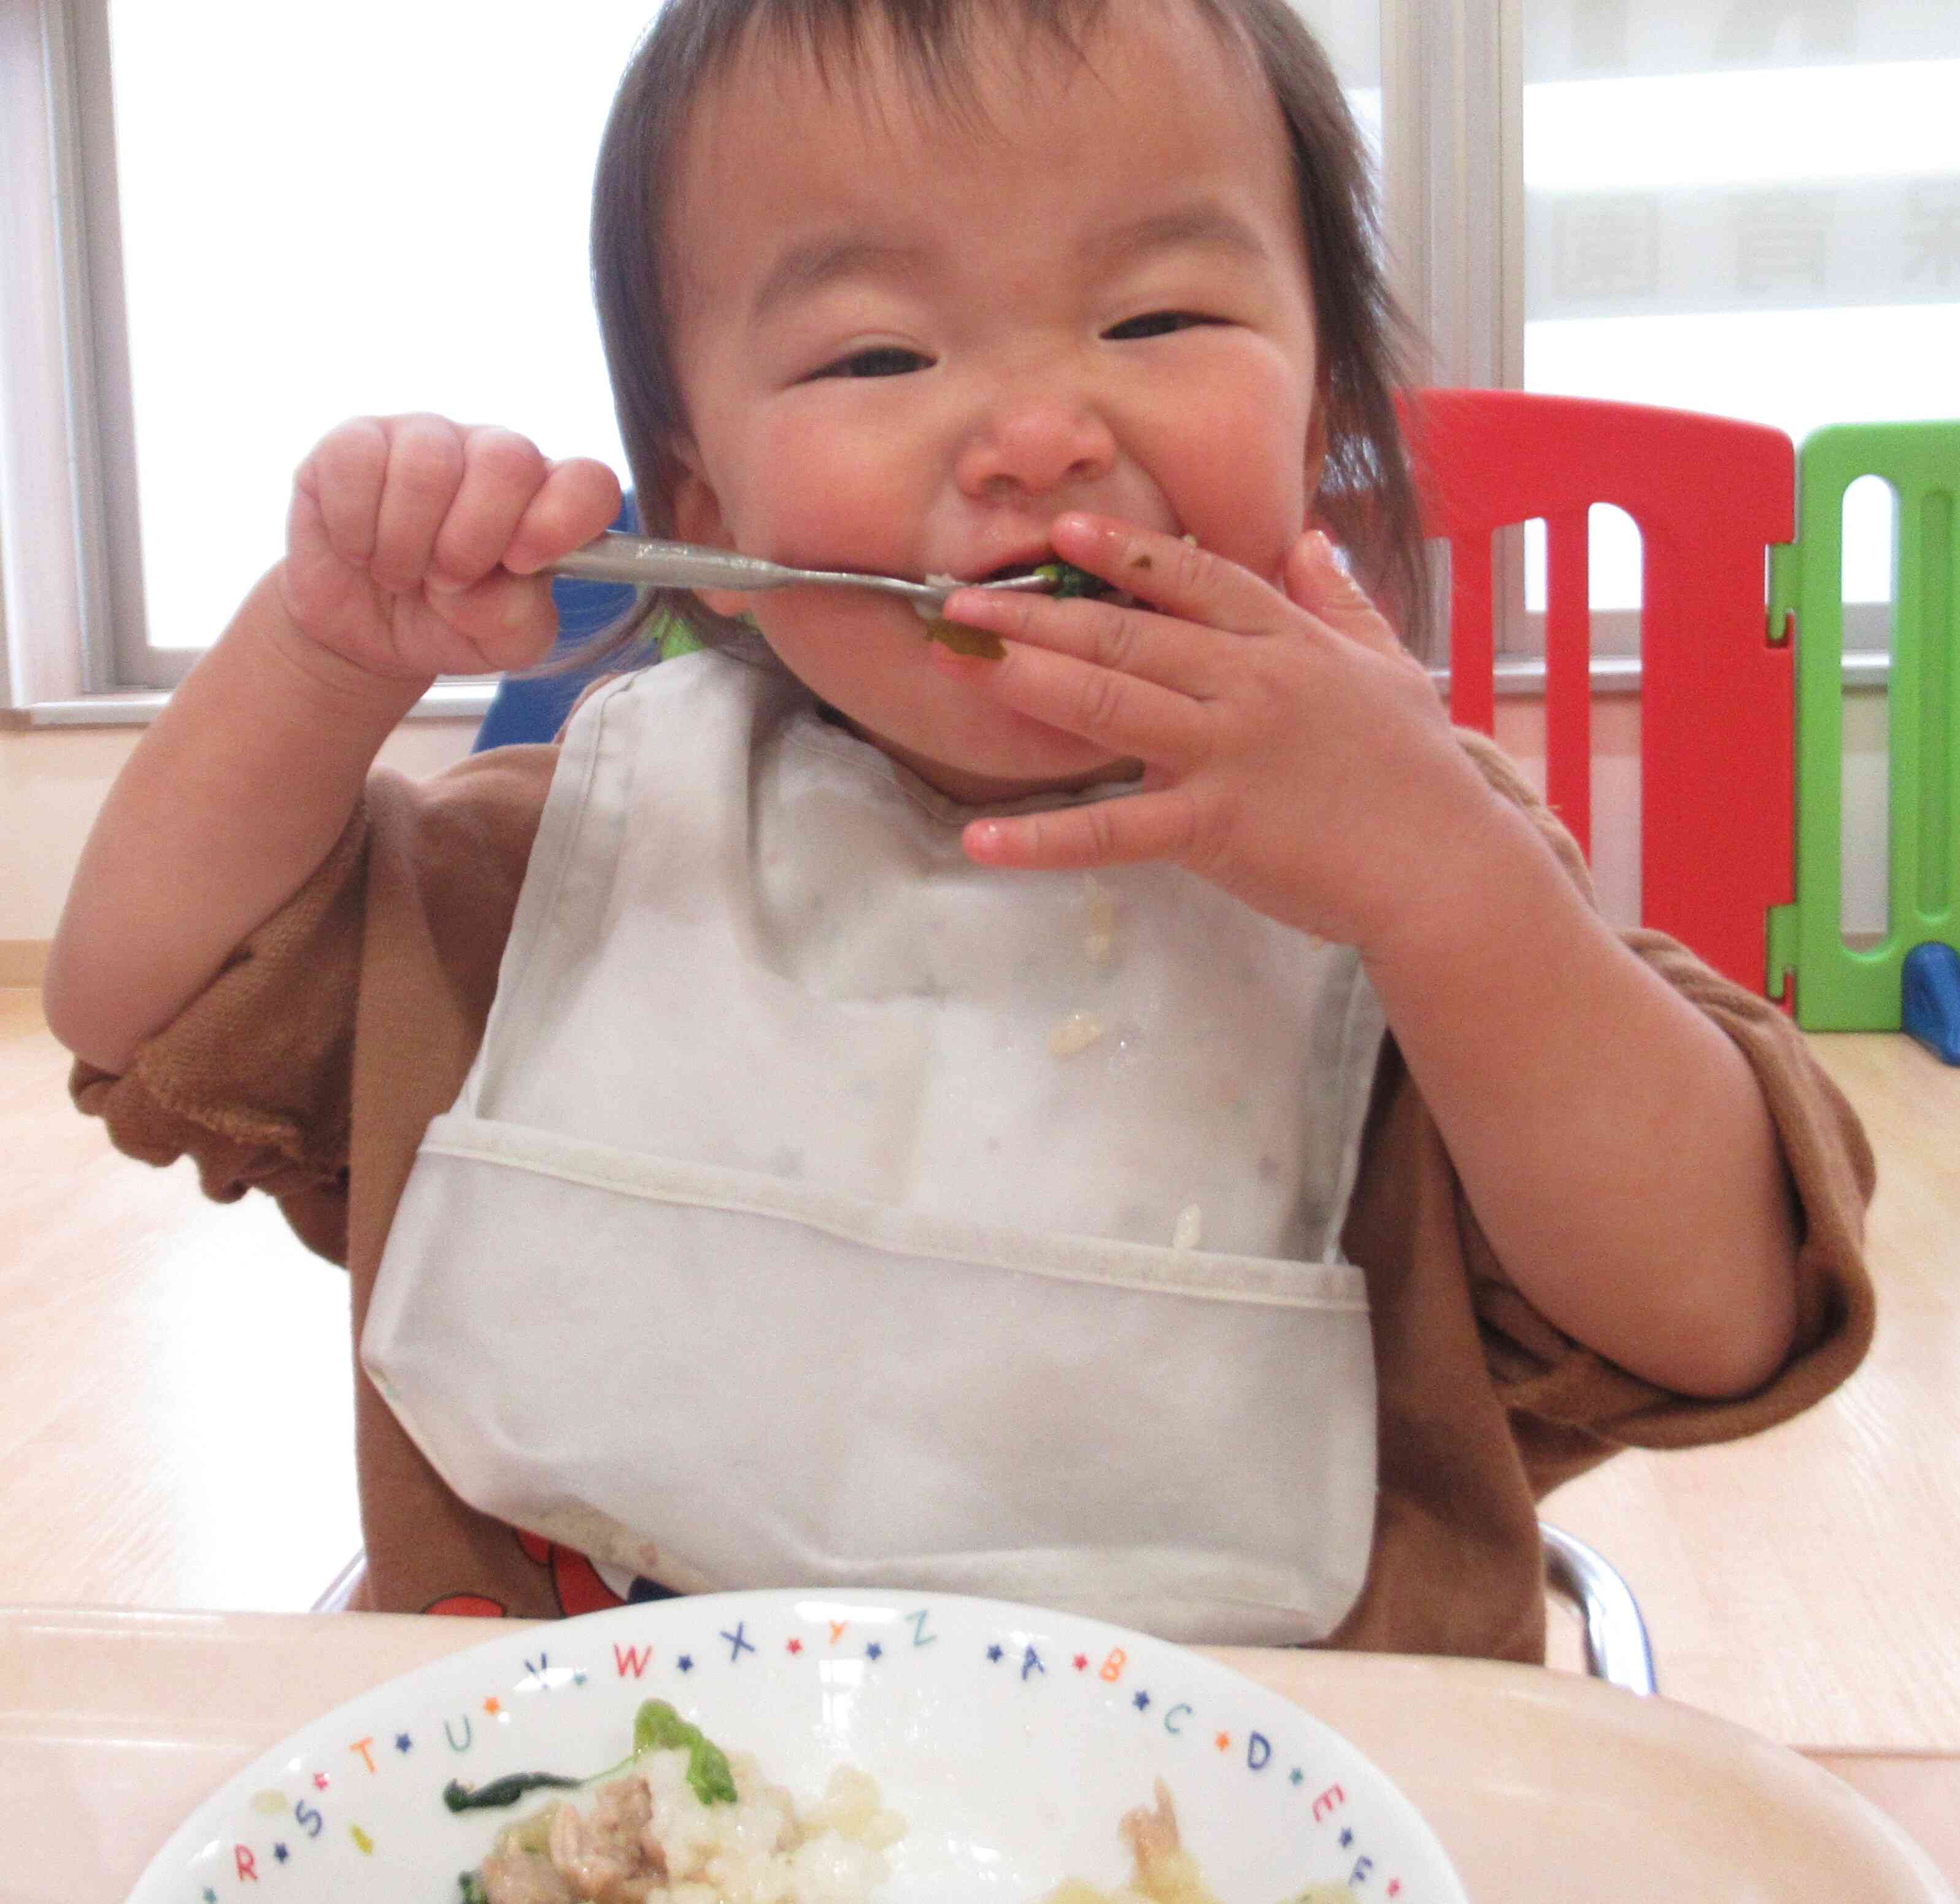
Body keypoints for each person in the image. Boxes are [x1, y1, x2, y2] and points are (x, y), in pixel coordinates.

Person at [44, 0, 1873, 1655]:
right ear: (699, 496)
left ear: (1319, 407)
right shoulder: (581, 864)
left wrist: (1452, 898)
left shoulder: (1414, 879)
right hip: (590, 1817)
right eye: (871, 357)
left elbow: (1713, 1314)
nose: (1031, 431)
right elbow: (141, 1004)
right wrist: (315, 657)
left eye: (1155, 317)